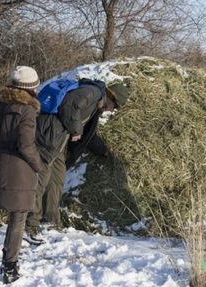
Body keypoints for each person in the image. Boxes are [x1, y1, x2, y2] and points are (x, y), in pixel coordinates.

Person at [25, 79, 129, 243]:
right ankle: (30, 225)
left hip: (60, 138)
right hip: (49, 132)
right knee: (42, 177)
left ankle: (51, 221)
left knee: (57, 179)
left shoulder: (96, 106)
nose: (112, 110)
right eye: (115, 106)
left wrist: (104, 152)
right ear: (112, 98)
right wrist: (76, 130)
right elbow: (69, 106)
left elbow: (89, 135)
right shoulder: (92, 92)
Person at [0, 66, 41, 284]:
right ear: (30, 87)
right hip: (20, 169)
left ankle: (9, 262)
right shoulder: (27, 110)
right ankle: (10, 266)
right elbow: (26, 145)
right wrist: (38, 165)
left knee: (15, 217)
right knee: (18, 217)